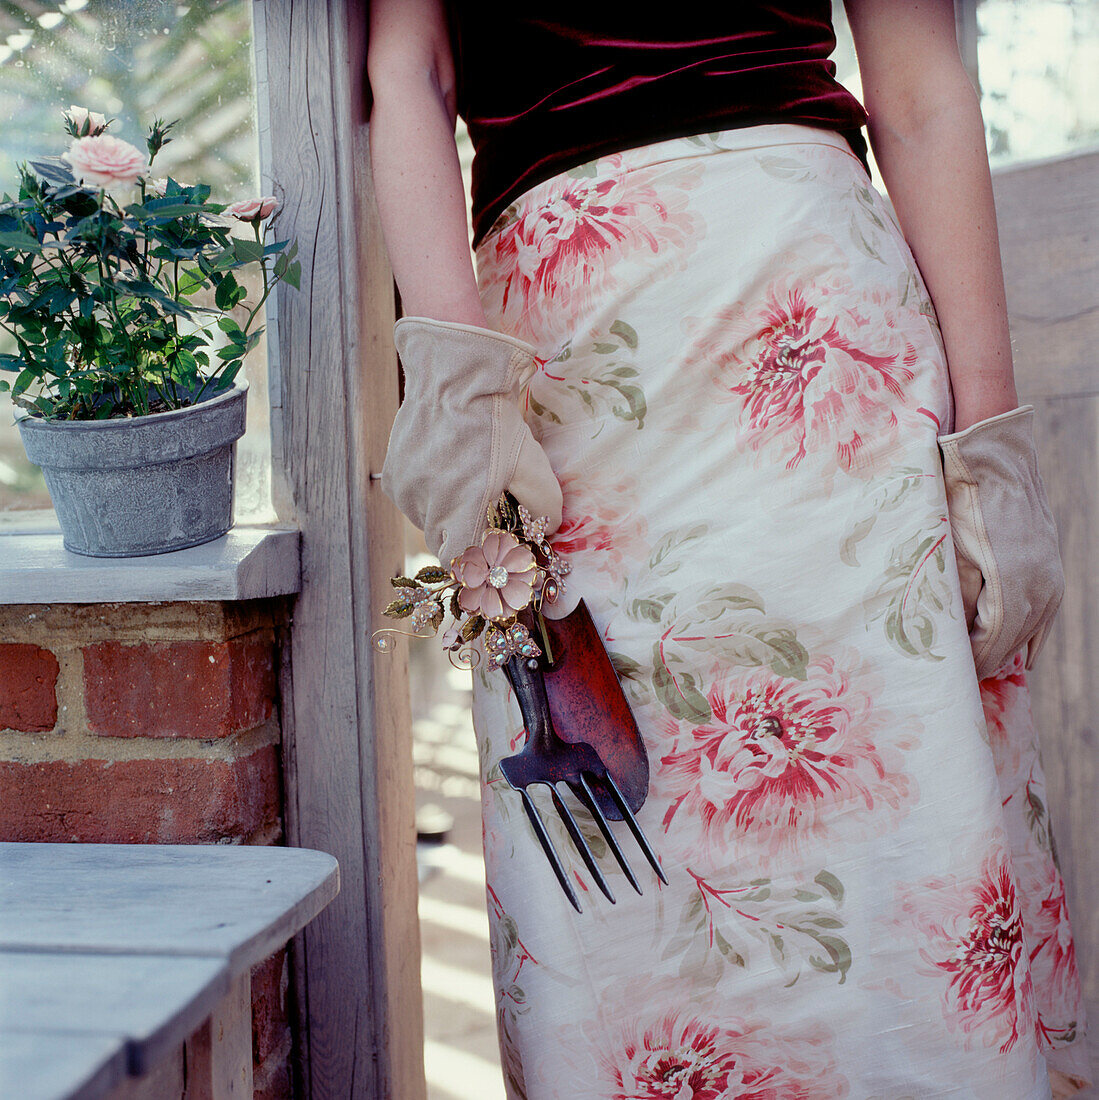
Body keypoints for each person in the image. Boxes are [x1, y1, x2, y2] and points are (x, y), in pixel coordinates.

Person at [366, 3, 1091, 1096]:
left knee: (910, 811)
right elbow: (405, 72)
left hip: (820, 331)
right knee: (618, 846)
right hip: (566, 366)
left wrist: (985, 431)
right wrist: (458, 381)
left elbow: (920, 85)